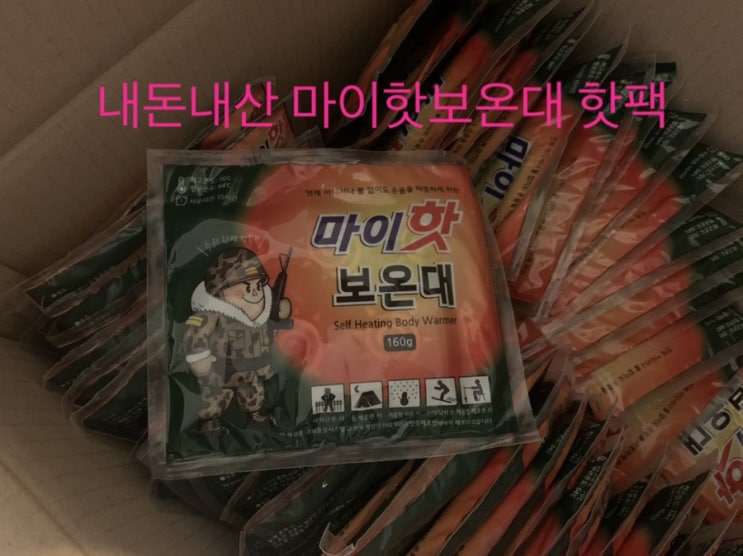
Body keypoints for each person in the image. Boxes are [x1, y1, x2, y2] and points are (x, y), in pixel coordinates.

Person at [183, 247, 291, 432]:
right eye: (245, 288)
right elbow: (195, 333)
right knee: (215, 398)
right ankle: (208, 423)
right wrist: (198, 358)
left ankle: (255, 417)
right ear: (219, 292)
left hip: (249, 371)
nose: (254, 293)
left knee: (253, 394)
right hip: (220, 371)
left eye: (258, 287)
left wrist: (280, 312)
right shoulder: (212, 316)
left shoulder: (260, 319)